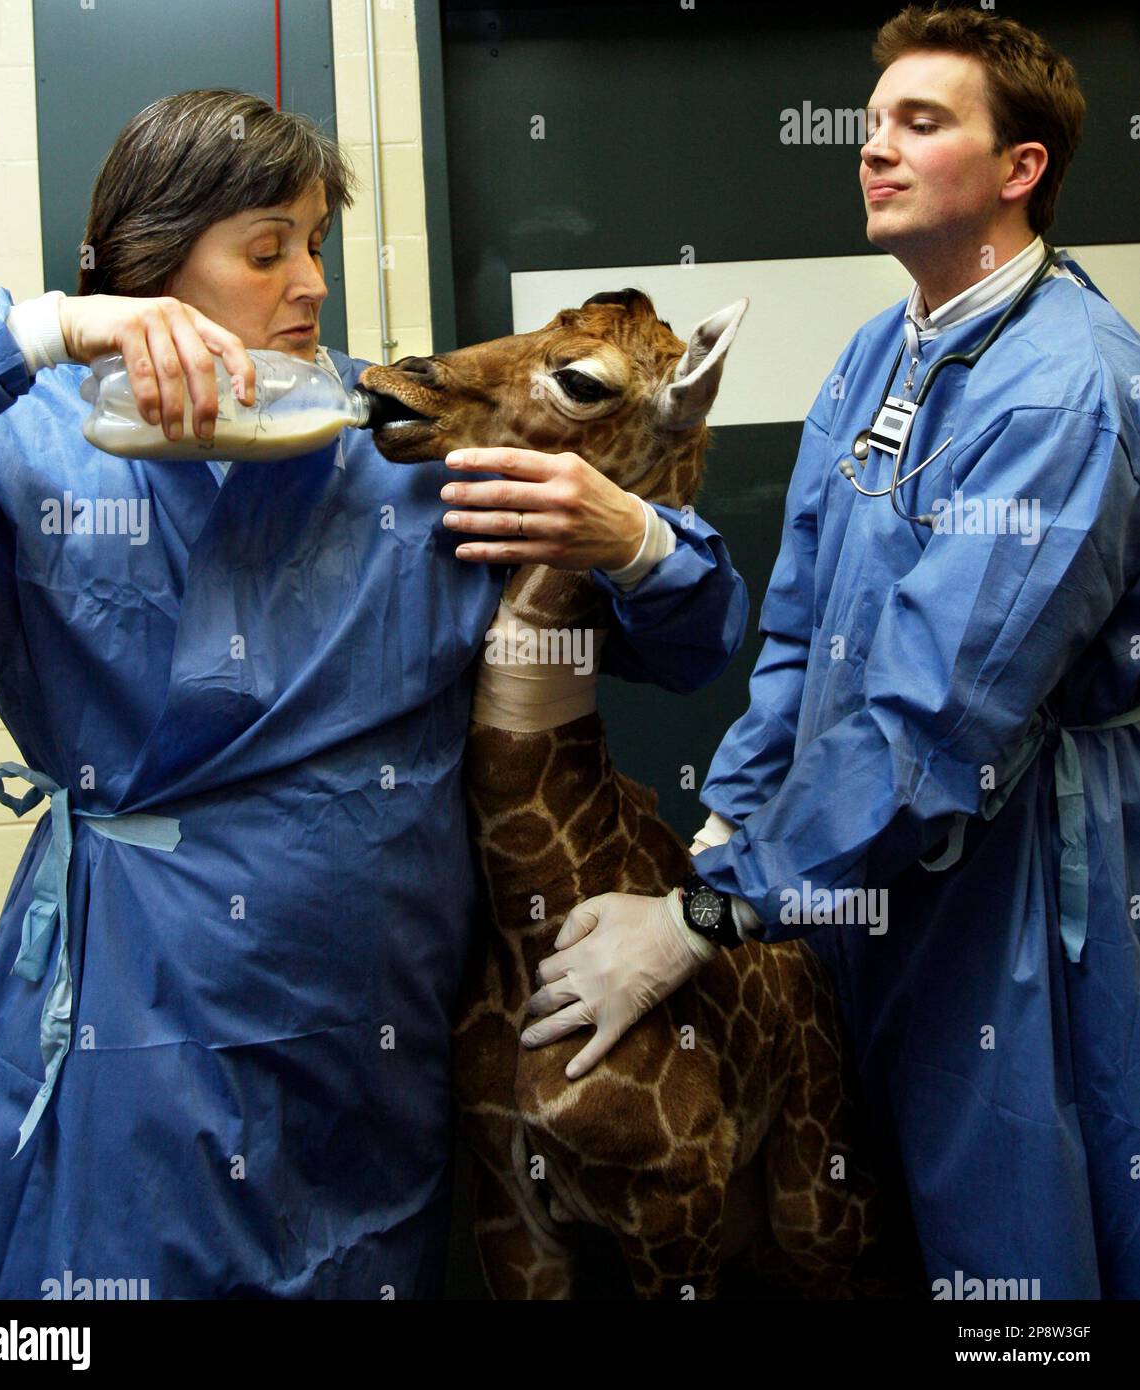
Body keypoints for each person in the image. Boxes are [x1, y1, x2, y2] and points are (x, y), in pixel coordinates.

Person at [0, 88, 747, 1299]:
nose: (311, 283)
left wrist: (639, 543)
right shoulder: (34, 447)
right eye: (266, 251)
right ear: (152, 270)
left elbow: (689, 642)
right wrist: (43, 333)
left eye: (314, 241)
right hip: (138, 999)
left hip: (371, 1012)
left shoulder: (397, 440)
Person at [523, 6, 1140, 1299]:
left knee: (1014, 1243)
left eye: (922, 124)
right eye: (870, 127)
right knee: (878, 1221)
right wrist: (731, 826)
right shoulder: (877, 354)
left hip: (1008, 880)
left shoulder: (1063, 390)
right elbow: (799, 635)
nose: (875, 150)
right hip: (844, 871)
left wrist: (703, 916)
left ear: (1020, 168)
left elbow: (935, 721)